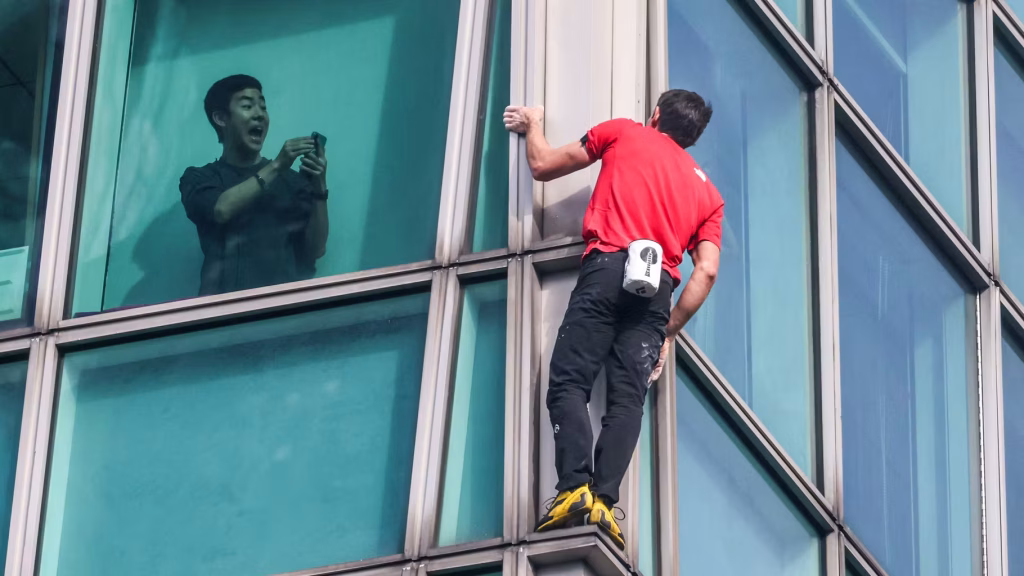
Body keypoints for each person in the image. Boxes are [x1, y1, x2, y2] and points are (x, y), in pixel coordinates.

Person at [503, 89, 723, 549]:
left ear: (656, 115)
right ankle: (604, 503)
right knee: (627, 402)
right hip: (656, 293)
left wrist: (534, 123)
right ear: (693, 138)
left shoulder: (624, 132)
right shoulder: (709, 195)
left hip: (607, 268)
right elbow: (706, 271)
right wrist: (668, 330)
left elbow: (542, 165)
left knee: (569, 382)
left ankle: (573, 490)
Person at [180, 74, 330, 297]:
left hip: (283, 307)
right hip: (222, 311)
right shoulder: (200, 178)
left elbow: (316, 249)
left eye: (263, 107)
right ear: (221, 118)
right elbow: (221, 209)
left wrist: (319, 188)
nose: (259, 114)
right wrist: (277, 166)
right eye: (247, 106)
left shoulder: (291, 181)